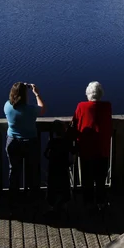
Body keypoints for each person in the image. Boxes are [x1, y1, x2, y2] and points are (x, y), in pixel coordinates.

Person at [71, 81, 112, 211]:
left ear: (88, 94)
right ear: (101, 94)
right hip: (102, 148)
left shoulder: (81, 106)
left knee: (87, 177)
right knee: (101, 177)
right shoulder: (107, 106)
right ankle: (100, 202)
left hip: (86, 148)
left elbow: (75, 122)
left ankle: (88, 202)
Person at [4, 82, 46, 205]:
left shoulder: (7, 106)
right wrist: (37, 94)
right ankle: (33, 198)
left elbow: (12, 100)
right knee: (32, 170)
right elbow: (42, 109)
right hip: (30, 143)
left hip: (12, 142)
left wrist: (19, 87)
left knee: (14, 170)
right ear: (24, 95)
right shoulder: (31, 110)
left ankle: (13, 198)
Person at [44, 120, 74, 213]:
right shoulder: (66, 142)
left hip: (53, 166)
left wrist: (50, 158)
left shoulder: (52, 142)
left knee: (52, 185)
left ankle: (51, 205)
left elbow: (45, 153)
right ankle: (64, 204)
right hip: (63, 166)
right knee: (65, 184)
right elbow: (72, 151)